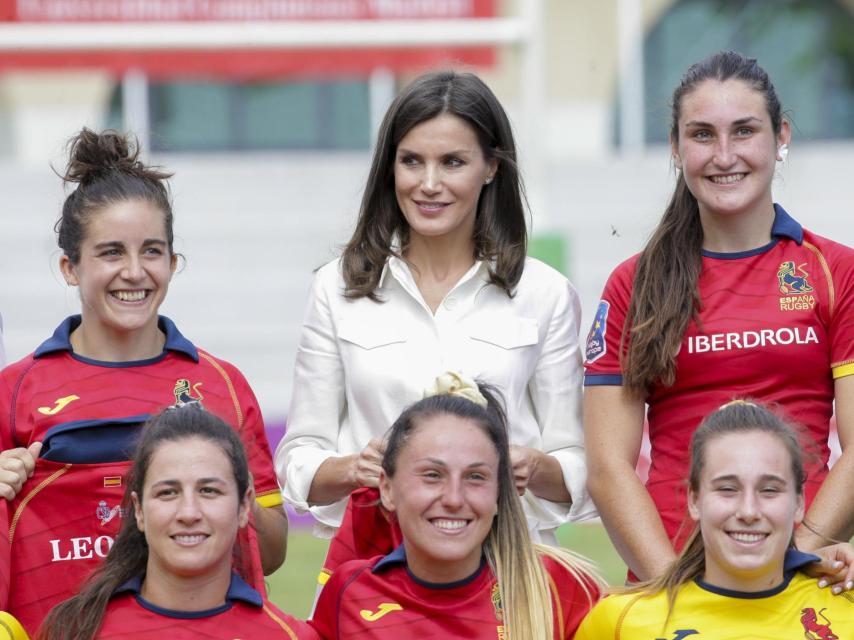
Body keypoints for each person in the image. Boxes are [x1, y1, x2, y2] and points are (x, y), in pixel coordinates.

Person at [277, 70, 592, 554]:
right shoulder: (336, 288)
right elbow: (298, 459)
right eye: (411, 161)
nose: (428, 184)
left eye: (452, 162)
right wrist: (354, 468)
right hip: (376, 567)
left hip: (506, 565)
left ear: (491, 167)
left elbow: (578, 464)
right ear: (390, 167)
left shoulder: (545, 292)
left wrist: (530, 466)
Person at [0, 128, 286, 634]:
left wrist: (225, 490)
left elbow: (273, 550)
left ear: (173, 263)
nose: (134, 272)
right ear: (70, 267)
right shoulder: (15, 390)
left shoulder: (222, 384)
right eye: (111, 252)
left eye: (152, 251)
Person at [583, 50, 854, 581]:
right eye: (703, 135)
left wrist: (793, 561)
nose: (724, 155)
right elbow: (608, 469)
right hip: (672, 583)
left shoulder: (836, 272)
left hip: (801, 581)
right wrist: (674, 587)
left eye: (744, 131)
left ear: (780, 137)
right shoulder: (633, 284)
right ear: (675, 146)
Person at [310, 375, 602, 640]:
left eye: (475, 477)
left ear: (499, 492)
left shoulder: (558, 587)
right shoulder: (349, 592)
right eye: (432, 475)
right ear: (387, 489)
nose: (453, 498)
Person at [576, 401, 854, 639]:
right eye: (727, 489)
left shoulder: (846, 609)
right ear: (694, 500)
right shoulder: (619, 622)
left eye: (769, 490)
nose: (748, 511)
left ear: (799, 503)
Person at [36, 405, 313, 640]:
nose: (188, 513)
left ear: (244, 505)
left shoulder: (288, 635)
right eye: (167, 493)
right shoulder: (76, 631)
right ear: (138, 510)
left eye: (208, 491)